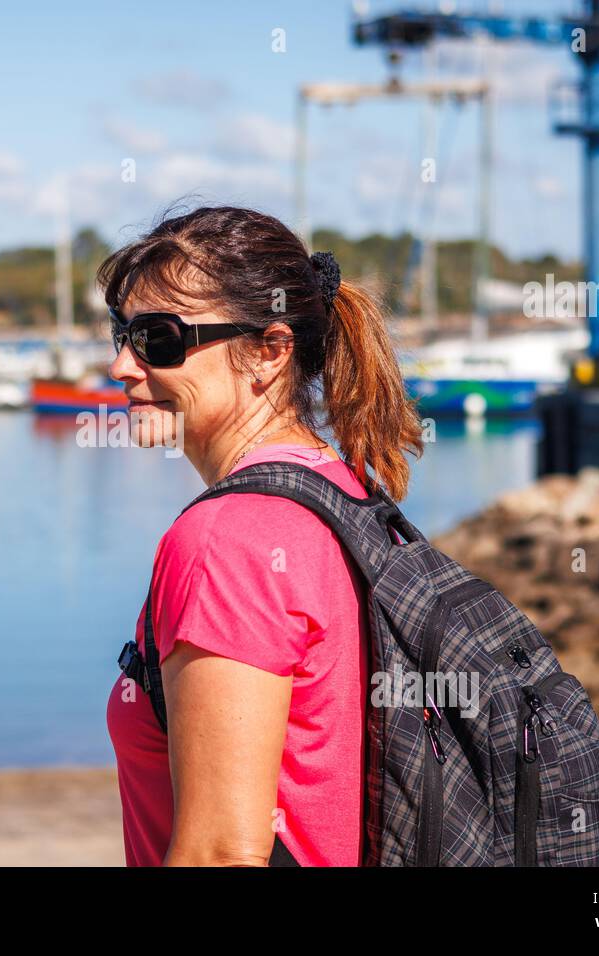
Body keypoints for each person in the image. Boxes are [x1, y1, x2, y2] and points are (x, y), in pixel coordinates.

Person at [102, 204, 424, 866]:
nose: (123, 369)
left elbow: (221, 853)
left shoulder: (228, 539)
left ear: (270, 352)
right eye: (120, 335)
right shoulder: (343, 493)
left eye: (157, 339)